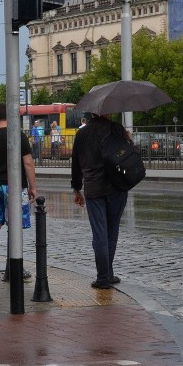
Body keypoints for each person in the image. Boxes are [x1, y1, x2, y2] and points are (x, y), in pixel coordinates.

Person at [71, 113, 130, 289]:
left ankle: (103, 277)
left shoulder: (83, 133)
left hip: (94, 188)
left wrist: (76, 188)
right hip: (117, 187)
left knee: (100, 234)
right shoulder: (117, 129)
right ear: (108, 112)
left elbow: (76, 163)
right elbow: (126, 156)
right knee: (112, 232)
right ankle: (108, 274)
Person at [0, 103, 37, 281]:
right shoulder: (18, 136)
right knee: (15, 226)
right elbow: (28, 162)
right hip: (15, 187)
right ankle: (16, 267)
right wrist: (32, 186)